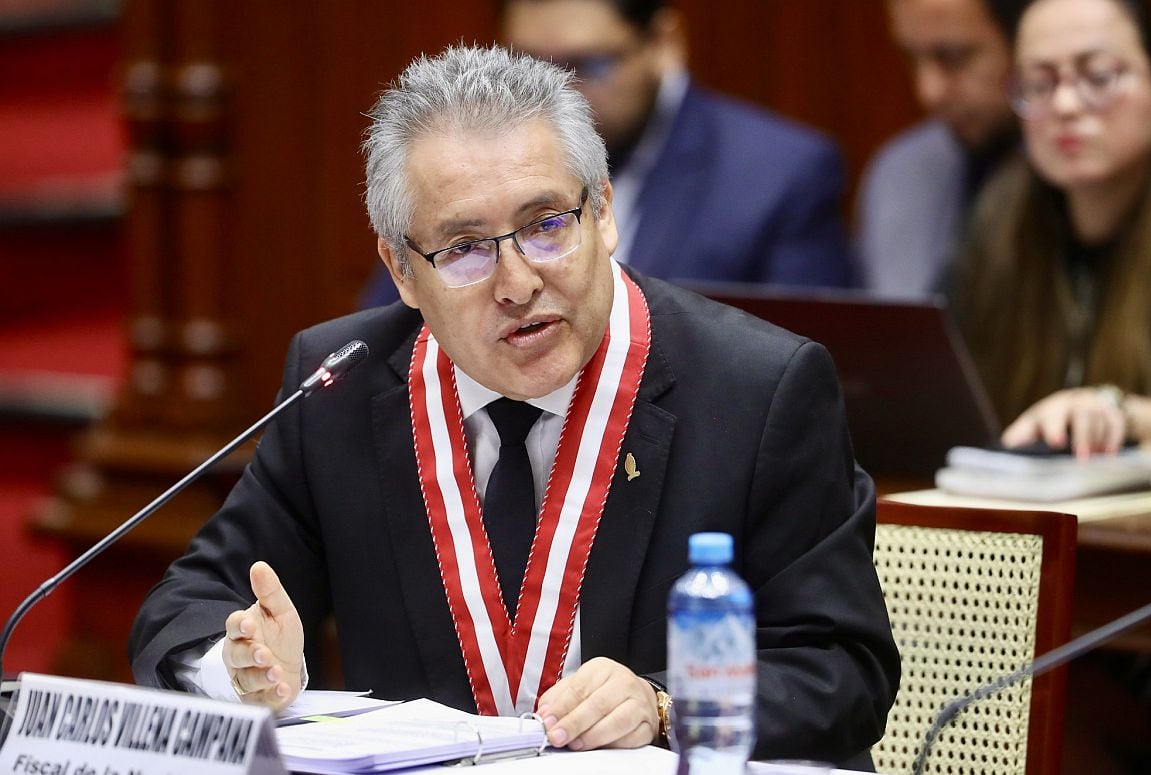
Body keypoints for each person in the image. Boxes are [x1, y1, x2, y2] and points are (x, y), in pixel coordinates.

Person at [129, 44, 899, 766]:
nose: (518, 281)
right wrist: (240, 665)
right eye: (463, 248)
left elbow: (844, 668)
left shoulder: (757, 387)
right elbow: (188, 608)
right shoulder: (340, 386)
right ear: (401, 270)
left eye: (546, 226)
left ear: (602, 212)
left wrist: (666, 706)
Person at [360, 0, 855, 308]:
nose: (555, 91)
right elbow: (390, 329)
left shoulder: (776, 172)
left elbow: (812, 367)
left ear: (664, 41)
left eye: (587, 64)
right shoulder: (459, 172)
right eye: (529, 63)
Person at [949, 0, 1151, 460]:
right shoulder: (1001, 217)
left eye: (1099, 77)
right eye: (1039, 84)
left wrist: (1119, 412)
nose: (1064, 104)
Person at [857, 0, 1025, 297]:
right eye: (911, 59)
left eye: (953, 57)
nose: (928, 91)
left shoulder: (1085, 177)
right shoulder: (900, 170)